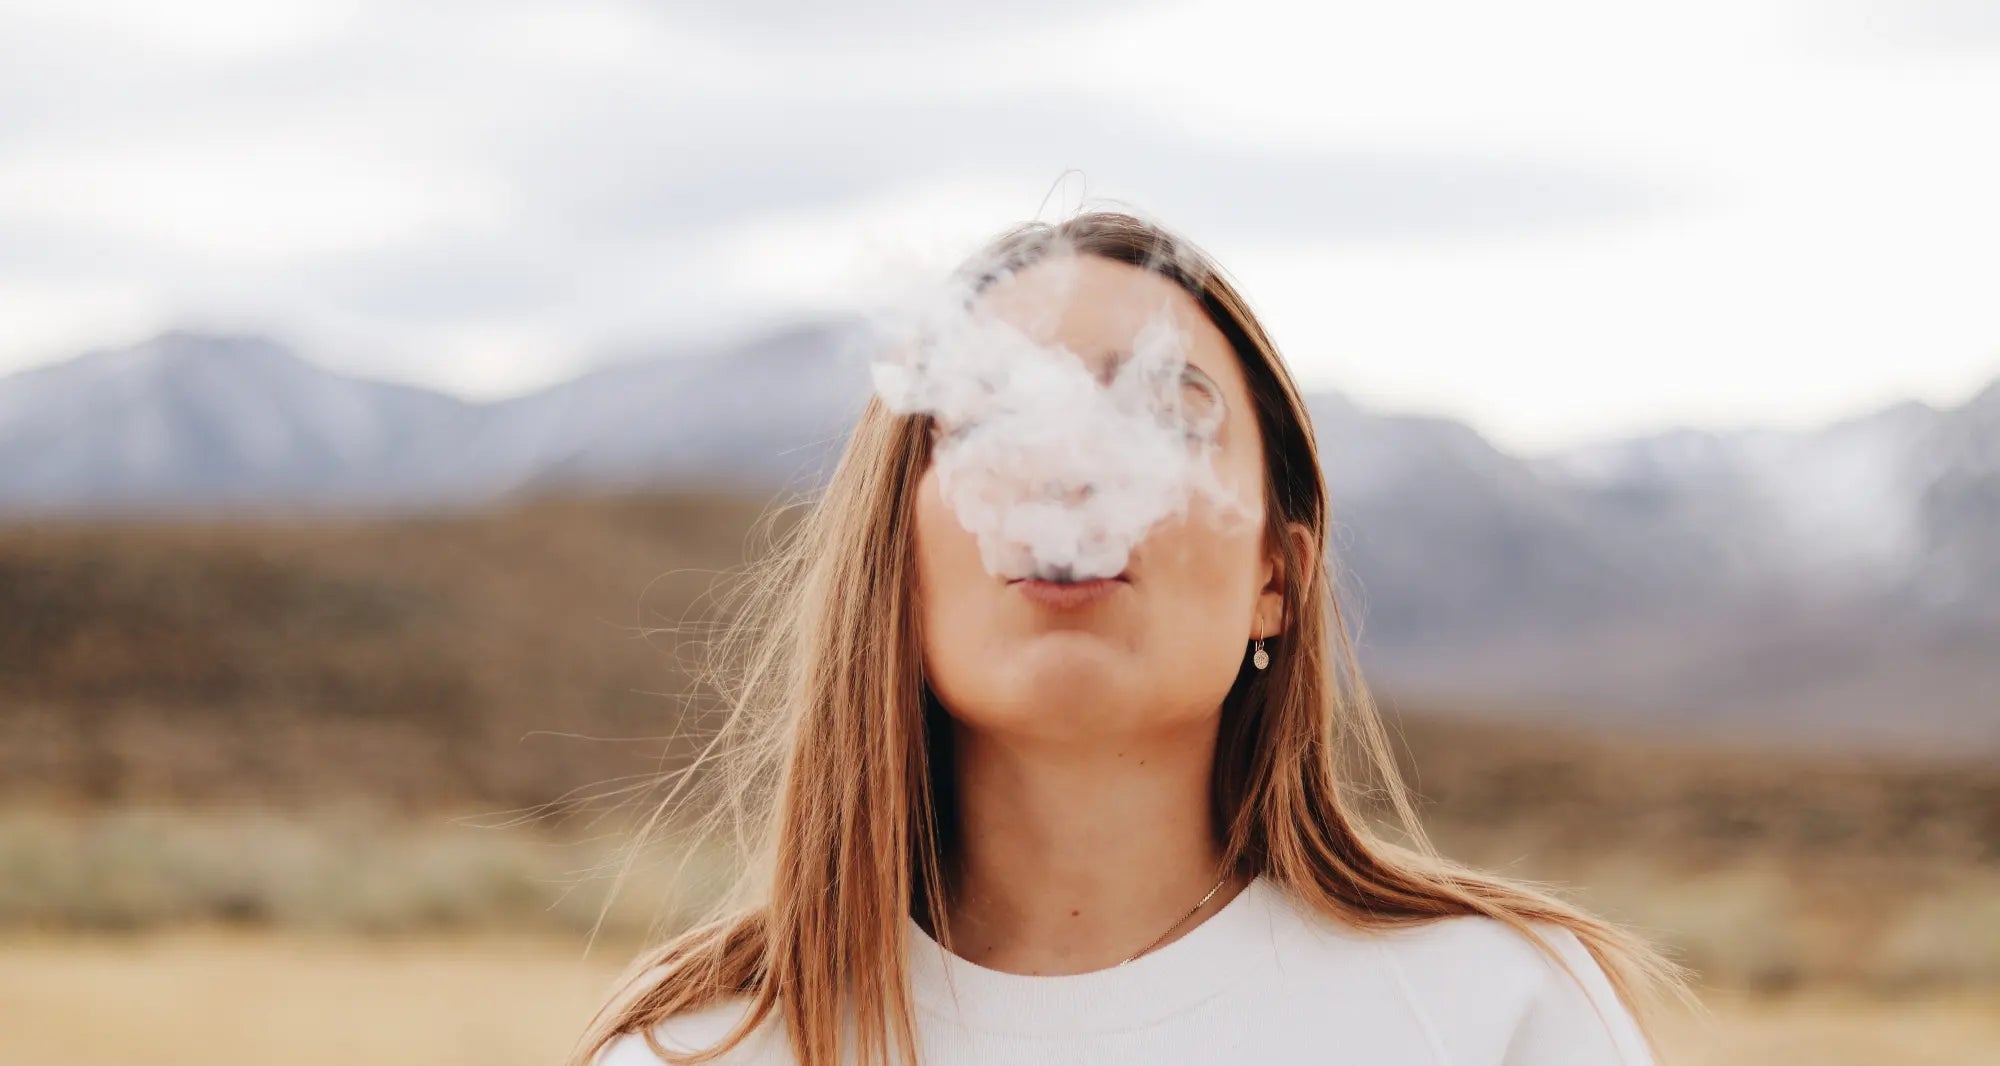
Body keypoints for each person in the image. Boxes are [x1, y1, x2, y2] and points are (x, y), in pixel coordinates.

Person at [570, 210, 1697, 1066]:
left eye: (1162, 411)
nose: (1072, 465)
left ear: (1275, 576)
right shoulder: (708, 1046)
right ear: (891, 559)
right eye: (993, 411)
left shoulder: (1493, 1015)